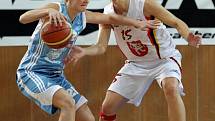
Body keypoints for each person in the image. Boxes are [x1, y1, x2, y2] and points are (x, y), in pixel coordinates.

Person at [16, 0, 158, 121]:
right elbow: (23, 18)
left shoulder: (82, 16)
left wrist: (136, 23)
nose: (86, 0)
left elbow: (109, 19)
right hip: (32, 72)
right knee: (67, 103)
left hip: (56, 75)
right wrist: (47, 11)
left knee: (87, 118)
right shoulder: (56, 8)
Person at [65, 0, 202, 121]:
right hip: (136, 63)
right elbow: (101, 46)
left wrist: (188, 36)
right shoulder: (108, 12)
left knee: (171, 88)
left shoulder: (144, 4)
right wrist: (84, 51)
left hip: (164, 59)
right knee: (107, 108)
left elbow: (175, 22)